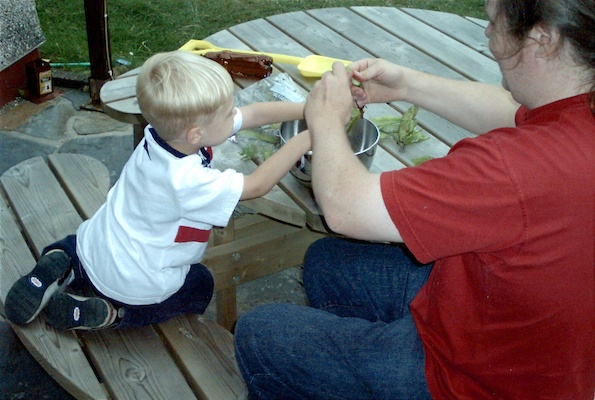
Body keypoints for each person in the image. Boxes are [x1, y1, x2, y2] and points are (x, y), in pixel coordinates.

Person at [233, 0, 594, 398]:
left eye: (494, 22)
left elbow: (347, 208)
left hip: (472, 382)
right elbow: (511, 113)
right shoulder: (577, 111)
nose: (487, 33)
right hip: (539, 352)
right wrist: (406, 85)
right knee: (326, 263)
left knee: (261, 333)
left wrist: (324, 120)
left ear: (542, 39)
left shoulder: (514, 168)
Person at [5, 50, 310, 331]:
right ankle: (113, 314)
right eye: (230, 112)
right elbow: (257, 184)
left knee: (78, 243)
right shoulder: (188, 180)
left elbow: (252, 114)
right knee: (200, 283)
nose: (236, 114)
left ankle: (59, 261)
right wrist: (309, 138)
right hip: (137, 282)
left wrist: (307, 110)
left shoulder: (160, 134)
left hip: (96, 246)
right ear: (197, 134)